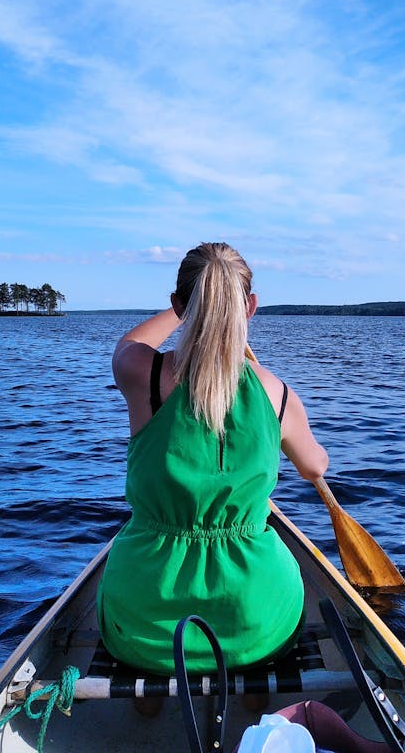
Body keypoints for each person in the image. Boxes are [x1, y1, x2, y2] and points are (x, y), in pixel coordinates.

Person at [96, 242, 329, 675]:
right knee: (273, 608)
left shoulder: (140, 373)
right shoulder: (277, 394)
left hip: (144, 622)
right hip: (253, 622)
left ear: (179, 305)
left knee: (136, 639)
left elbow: (129, 342)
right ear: (251, 307)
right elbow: (314, 467)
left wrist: (187, 310)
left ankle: (148, 703)